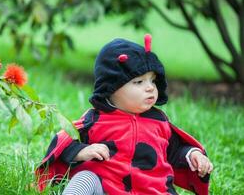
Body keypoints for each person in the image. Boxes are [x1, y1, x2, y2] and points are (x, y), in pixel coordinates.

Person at [35, 34, 213, 195]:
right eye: (138, 82)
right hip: (106, 189)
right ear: (111, 88)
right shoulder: (96, 119)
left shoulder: (159, 122)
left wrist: (193, 155)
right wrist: (82, 151)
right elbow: (63, 144)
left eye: (152, 80)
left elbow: (176, 150)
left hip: (153, 190)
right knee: (85, 178)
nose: (150, 87)